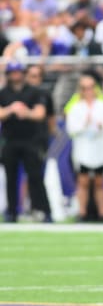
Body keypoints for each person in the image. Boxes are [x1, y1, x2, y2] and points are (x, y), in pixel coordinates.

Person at [0, 62, 51, 222]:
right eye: (12, 72)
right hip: (10, 140)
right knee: (11, 177)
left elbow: (40, 113)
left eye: (18, 72)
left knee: (35, 176)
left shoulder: (35, 92)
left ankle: (43, 211)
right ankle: (12, 212)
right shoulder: (3, 93)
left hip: (31, 140)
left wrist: (25, 112)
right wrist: (11, 109)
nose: (15, 75)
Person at [65, 74, 103, 222]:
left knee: (100, 181)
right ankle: (82, 213)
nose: (88, 91)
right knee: (83, 181)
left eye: (91, 87)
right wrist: (84, 124)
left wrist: (101, 126)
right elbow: (71, 128)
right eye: (84, 88)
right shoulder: (76, 107)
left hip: (100, 149)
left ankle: (102, 213)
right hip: (84, 150)